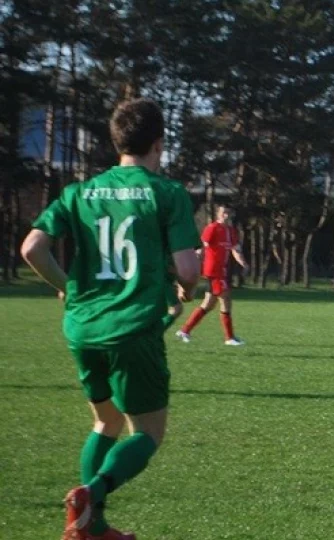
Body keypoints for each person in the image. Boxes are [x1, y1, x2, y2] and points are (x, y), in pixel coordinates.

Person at [20, 97, 201, 540]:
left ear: (116, 141)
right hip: (133, 328)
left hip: (83, 327)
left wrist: (66, 286)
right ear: (159, 143)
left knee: (106, 422)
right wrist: (187, 290)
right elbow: (189, 268)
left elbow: (31, 249)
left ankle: (91, 527)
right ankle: (91, 493)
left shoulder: (78, 192)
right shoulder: (166, 192)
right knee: (150, 432)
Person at [176, 204, 249, 345]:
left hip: (222, 271)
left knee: (208, 304)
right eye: (223, 213)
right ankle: (229, 338)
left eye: (228, 213)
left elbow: (236, 250)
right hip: (213, 271)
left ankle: (184, 330)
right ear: (218, 214)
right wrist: (195, 262)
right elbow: (202, 247)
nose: (226, 215)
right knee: (225, 299)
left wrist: (243, 264)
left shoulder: (231, 231)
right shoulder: (212, 228)